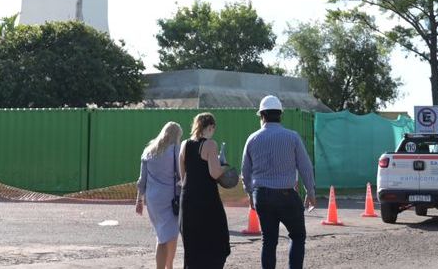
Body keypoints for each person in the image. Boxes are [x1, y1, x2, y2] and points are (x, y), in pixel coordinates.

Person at [239, 95, 315, 269]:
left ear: (262, 115)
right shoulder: (292, 137)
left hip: (262, 196)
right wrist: (310, 192)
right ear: (280, 115)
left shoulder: (252, 139)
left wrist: (250, 193)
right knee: (297, 236)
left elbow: (246, 170)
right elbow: (306, 167)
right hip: (286, 194)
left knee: (269, 240)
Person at [179, 112, 230, 268]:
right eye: (213, 127)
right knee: (216, 241)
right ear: (210, 126)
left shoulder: (184, 144)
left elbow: (182, 174)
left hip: (187, 199)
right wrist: (224, 166)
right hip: (206, 200)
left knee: (192, 246)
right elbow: (214, 172)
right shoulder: (210, 144)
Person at [135, 121, 182, 269]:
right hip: (170, 198)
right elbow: (181, 175)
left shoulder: (148, 151)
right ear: (176, 135)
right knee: (169, 235)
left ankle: (165, 267)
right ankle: (168, 266)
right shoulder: (176, 150)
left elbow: (142, 180)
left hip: (153, 200)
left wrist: (139, 200)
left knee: (163, 235)